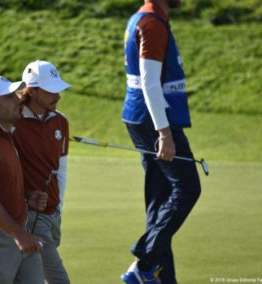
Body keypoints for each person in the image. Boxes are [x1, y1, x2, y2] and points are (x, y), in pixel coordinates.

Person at [0, 60, 71, 284]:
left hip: (24, 224)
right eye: (9, 97)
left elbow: (56, 170)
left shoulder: (8, 134)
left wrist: (33, 199)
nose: (16, 99)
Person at [121, 1, 201, 283]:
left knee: (161, 198)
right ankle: (145, 262)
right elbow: (149, 83)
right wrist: (164, 133)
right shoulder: (152, 23)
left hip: (142, 117)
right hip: (154, 119)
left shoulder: (145, 18)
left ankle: (159, 277)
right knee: (187, 187)